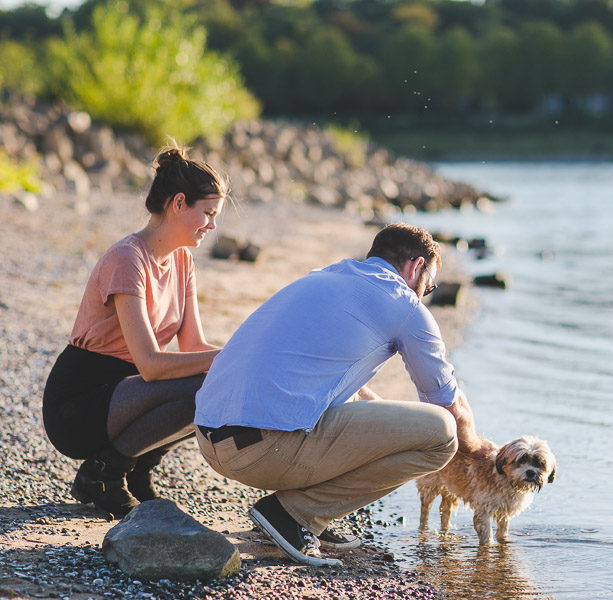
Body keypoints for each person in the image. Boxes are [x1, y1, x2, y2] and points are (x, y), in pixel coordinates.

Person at [194, 223, 493, 566]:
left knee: (386, 419)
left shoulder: (324, 276)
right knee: (441, 434)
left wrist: (390, 432)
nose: (425, 292)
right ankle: (296, 514)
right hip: (262, 450)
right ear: (415, 266)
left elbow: (335, 383)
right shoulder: (405, 305)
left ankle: (304, 517)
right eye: (430, 284)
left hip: (209, 438)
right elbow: (448, 406)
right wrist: (480, 450)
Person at [42, 145, 227, 518]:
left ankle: (138, 469)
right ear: (178, 203)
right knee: (206, 384)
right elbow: (151, 366)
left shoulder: (181, 260)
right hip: (79, 401)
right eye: (207, 213)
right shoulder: (127, 258)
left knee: (222, 382)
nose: (212, 225)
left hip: (126, 391)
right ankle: (103, 474)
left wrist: (240, 359)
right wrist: (227, 358)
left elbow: (192, 345)